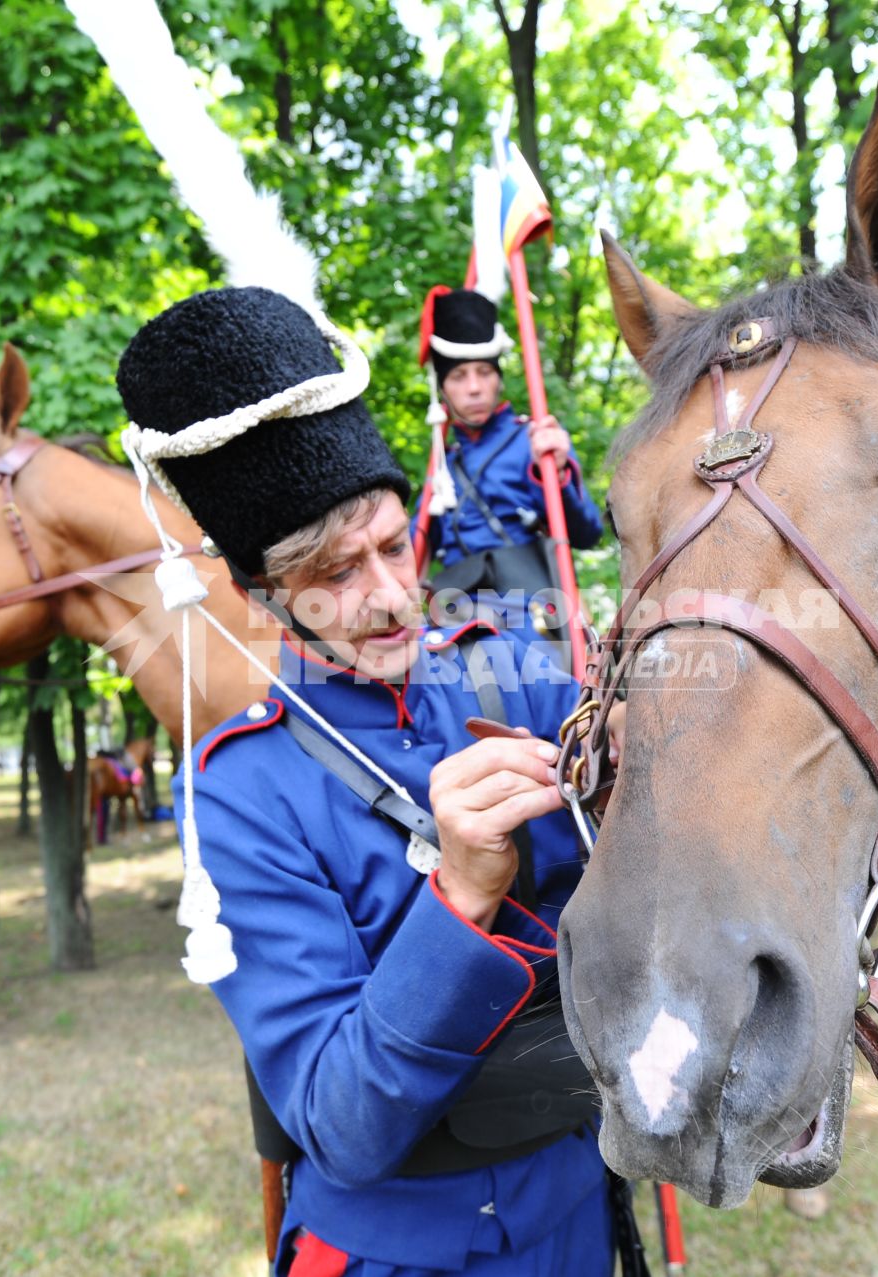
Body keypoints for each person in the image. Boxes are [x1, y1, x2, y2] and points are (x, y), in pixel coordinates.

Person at [116, 286, 636, 1277]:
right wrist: (460, 895)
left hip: (577, 1212)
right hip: (400, 1252)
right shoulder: (237, 791)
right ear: (261, 593)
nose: (394, 596)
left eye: (394, 544)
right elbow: (340, 1123)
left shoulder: (511, 671)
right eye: (333, 570)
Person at [415, 287, 602, 637]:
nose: (474, 387)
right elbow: (411, 556)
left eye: (484, 372)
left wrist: (556, 472)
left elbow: (588, 532)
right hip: (455, 616)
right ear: (442, 389)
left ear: (499, 378)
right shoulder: (441, 467)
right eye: (458, 376)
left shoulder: (534, 440)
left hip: (531, 615)